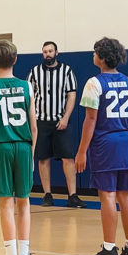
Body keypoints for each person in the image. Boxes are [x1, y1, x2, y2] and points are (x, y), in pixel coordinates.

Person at [75, 38, 128, 255]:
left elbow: (90, 120)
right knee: (126, 195)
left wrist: (82, 151)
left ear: (102, 57)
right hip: (125, 140)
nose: (92, 55)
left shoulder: (94, 83)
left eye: (95, 52)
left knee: (108, 196)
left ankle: (109, 249)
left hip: (105, 142)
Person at [0, 40, 43, 255]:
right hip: (24, 146)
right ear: (15, 59)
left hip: (1, 147)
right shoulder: (27, 87)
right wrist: (32, 154)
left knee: (6, 203)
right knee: (24, 202)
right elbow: (34, 126)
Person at [27, 41, 85, 208]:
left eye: (50, 51)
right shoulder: (35, 72)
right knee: (43, 158)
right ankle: (47, 195)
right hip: (41, 121)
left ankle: (72, 195)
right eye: (45, 51)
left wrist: (66, 117)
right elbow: (29, 95)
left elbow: (72, 96)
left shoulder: (66, 71)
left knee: (68, 158)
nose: (48, 54)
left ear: (57, 52)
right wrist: (33, 118)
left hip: (61, 120)